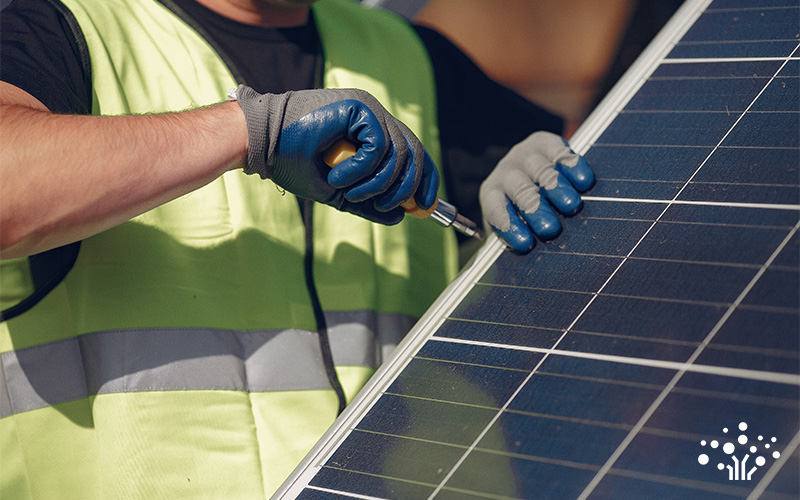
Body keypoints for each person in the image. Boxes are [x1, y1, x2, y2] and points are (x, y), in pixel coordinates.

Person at [0, 0, 594, 497]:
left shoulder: (412, 56)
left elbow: (628, 241)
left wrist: (554, 187)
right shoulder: (60, 28)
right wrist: (247, 131)